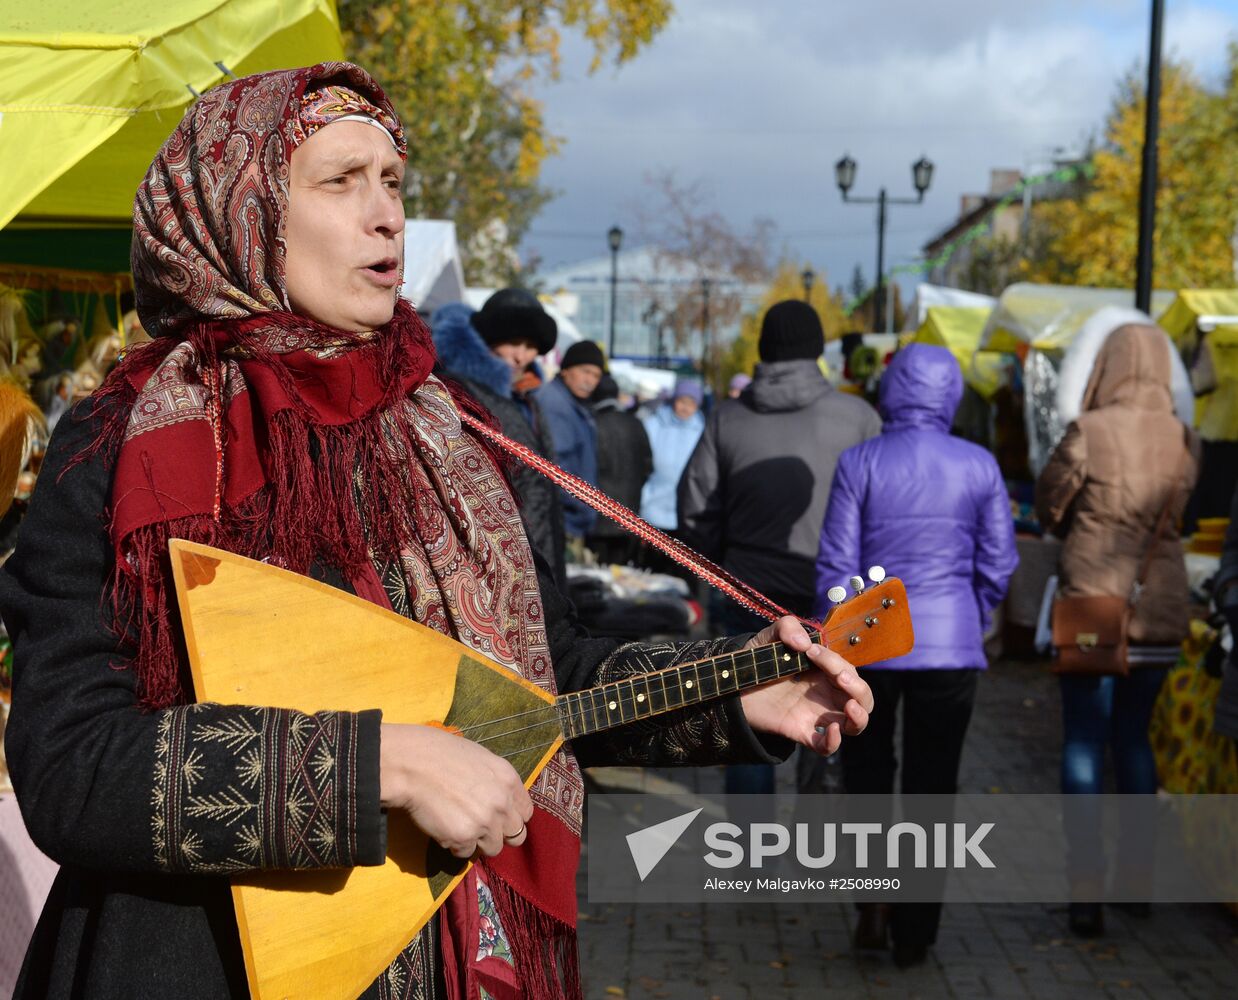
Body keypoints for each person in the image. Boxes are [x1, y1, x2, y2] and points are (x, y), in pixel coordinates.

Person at [0, 63, 872, 1000]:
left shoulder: (455, 433)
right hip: (196, 963)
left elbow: (541, 684)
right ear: (239, 210)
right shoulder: (128, 443)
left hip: (452, 954)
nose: (386, 216)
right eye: (340, 181)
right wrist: (372, 766)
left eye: (393, 183)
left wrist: (737, 696)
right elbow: (70, 763)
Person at [816, 343, 1018, 968]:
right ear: (951, 394)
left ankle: (871, 905)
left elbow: (837, 564)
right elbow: (999, 561)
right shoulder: (980, 464)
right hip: (951, 645)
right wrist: (973, 618)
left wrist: (841, 640)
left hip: (874, 644)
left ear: (892, 389)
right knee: (934, 787)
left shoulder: (861, 461)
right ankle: (915, 931)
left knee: (869, 776)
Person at [1036, 323, 1199, 939]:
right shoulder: (1186, 439)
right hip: (1157, 609)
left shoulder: (1089, 431)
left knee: (1082, 741)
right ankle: (1137, 882)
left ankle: (1084, 891)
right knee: (1134, 740)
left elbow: (1052, 503)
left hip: (1091, 608)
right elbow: (1179, 514)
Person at [679, 300, 881, 795]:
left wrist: (721, 566)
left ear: (764, 349)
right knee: (839, 710)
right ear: (816, 351)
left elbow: (695, 507)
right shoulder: (858, 417)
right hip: (838, 599)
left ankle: (750, 855)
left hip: (748, 590)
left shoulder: (728, 418)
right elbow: (880, 512)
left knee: (751, 719)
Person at [431, 290, 567, 583]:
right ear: (488, 339)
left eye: (530, 346)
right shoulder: (464, 395)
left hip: (541, 557)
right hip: (499, 567)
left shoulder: (527, 398)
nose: (521, 356)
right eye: (512, 343)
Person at [534, 340, 605, 547]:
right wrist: (581, 505)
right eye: (585, 371)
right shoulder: (556, 405)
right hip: (560, 521)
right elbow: (556, 467)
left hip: (568, 519)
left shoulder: (572, 403)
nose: (590, 380)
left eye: (596, 375)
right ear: (566, 369)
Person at [587, 373, 652, 566]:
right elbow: (648, 466)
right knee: (621, 577)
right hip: (628, 511)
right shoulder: (635, 423)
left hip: (598, 512)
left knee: (596, 577)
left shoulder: (592, 423)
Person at [639, 378, 705, 534]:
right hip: (652, 508)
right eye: (682, 401)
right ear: (674, 400)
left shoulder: (702, 431)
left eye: (691, 404)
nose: (685, 408)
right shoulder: (654, 424)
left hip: (685, 513)